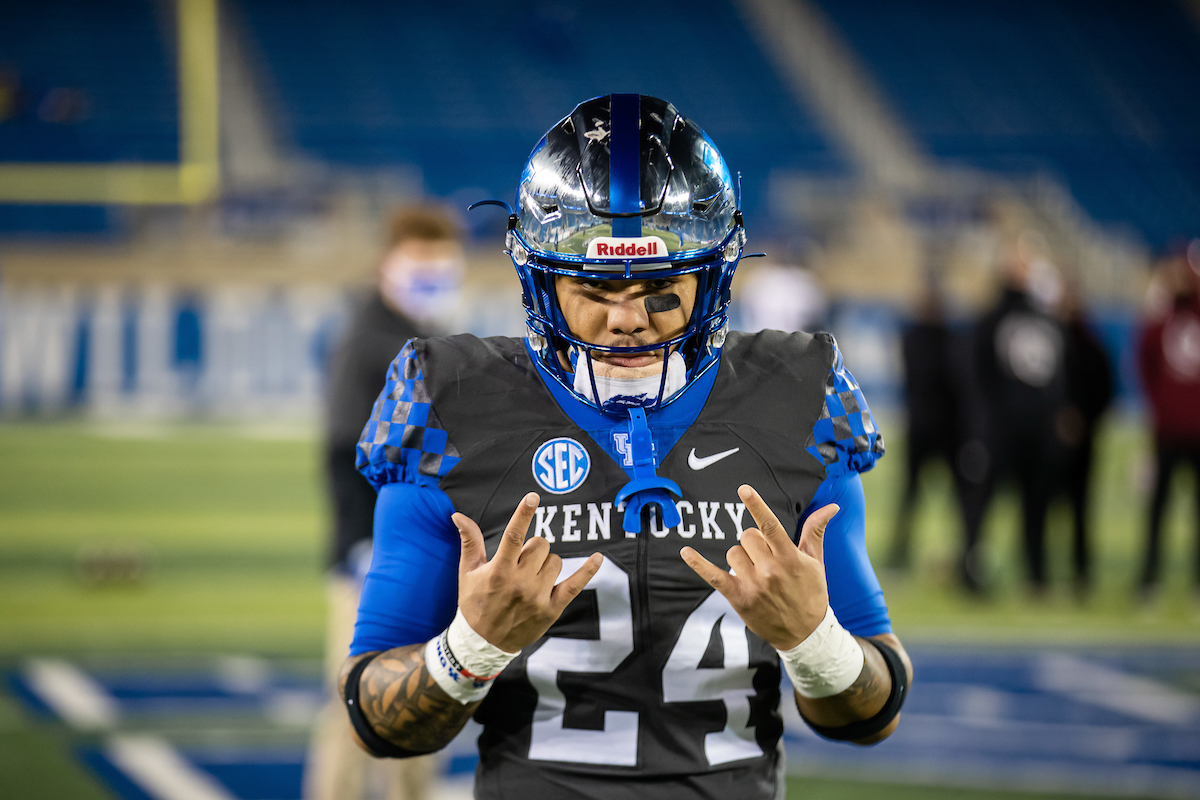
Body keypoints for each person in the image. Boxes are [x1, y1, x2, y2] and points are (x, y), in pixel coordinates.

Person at [340, 95, 911, 800]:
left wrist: (813, 641)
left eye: (661, 287)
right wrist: (470, 648)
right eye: (593, 287)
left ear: (713, 277)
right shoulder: (451, 402)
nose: (628, 320)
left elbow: (872, 715)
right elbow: (374, 718)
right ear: (541, 282)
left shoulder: (795, 396)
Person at [305, 206, 464, 800]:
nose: (432, 271)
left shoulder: (418, 329)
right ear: (388, 262)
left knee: (414, 701)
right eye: (420, 259)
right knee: (364, 701)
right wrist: (359, 543)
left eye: (438, 260)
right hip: (382, 554)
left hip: (417, 545)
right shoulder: (375, 338)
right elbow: (342, 447)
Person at [959, 241, 1068, 593]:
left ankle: (1036, 575)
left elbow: (1057, 375)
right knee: (981, 507)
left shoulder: (1046, 321)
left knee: (1036, 507)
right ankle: (971, 573)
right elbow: (975, 376)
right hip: (998, 432)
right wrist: (984, 423)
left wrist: (1053, 418)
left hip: (1036, 433)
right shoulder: (992, 319)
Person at [888, 279, 966, 571]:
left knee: (915, 496)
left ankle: (904, 554)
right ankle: (961, 553)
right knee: (921, 496)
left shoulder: (914, 338)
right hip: (942, 427)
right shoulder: (948, 340)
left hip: (926, 426)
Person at [1138, 241, 1200, 596]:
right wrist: (1160, 406)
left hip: (1197, 431)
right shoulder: (1161, 319)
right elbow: (1145, 363)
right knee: (1157, 508)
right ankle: (1150, 577)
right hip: (1167, 431)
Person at [1053, 279, 1113, 598]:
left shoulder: (1092, 346)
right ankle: (1039, 572)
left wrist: (1082, 421)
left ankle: (1081, 572)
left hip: (1084, 437)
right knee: (1042, 506)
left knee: (1080, 508)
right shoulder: (1050, 344)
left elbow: (1105, 390)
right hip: (1049, 439)